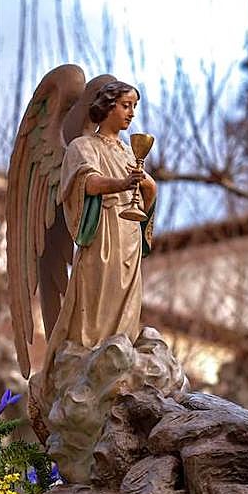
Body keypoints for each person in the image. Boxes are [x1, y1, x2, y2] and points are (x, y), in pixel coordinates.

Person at [41, 81, 157, 373]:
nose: (131, 113)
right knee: (98, 297)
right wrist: (121, 184)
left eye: (134, 107)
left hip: (129, 232)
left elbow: (146, 194)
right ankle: (90, 355)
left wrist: (147, 185)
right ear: (107, 106)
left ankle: (122, 353)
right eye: (125, 105)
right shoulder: (83, 146)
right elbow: (86, 182)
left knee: (127, 301)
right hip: (103, 231)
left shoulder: (128, 152)